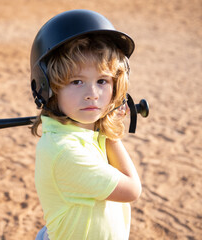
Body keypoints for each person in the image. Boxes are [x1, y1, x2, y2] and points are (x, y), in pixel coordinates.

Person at [30, 10, 142, 240]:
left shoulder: (83, 130)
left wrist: (104, 125)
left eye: (102, 81)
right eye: (77, 81)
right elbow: (132, 190)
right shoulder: (65, 151)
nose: (92, 94)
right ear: (47, 88)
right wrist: (112, 132)